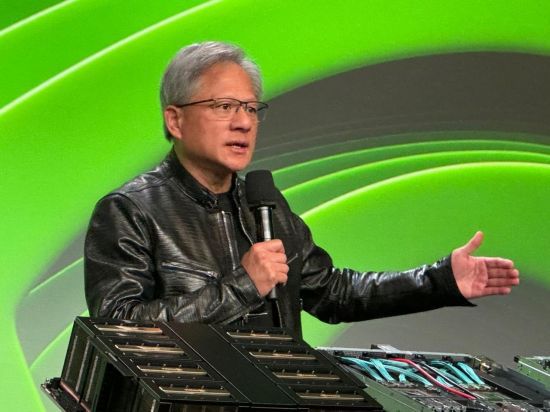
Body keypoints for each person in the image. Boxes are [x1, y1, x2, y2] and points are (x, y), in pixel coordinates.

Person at [84, 41, 519, 336]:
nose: (243, 122)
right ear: (175, 120)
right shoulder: (130, 210)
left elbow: (333, 293)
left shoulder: (263, 204)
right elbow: (120, 325)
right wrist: (242, 286)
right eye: (224, 106)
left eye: (251, 108)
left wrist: (439, 280)